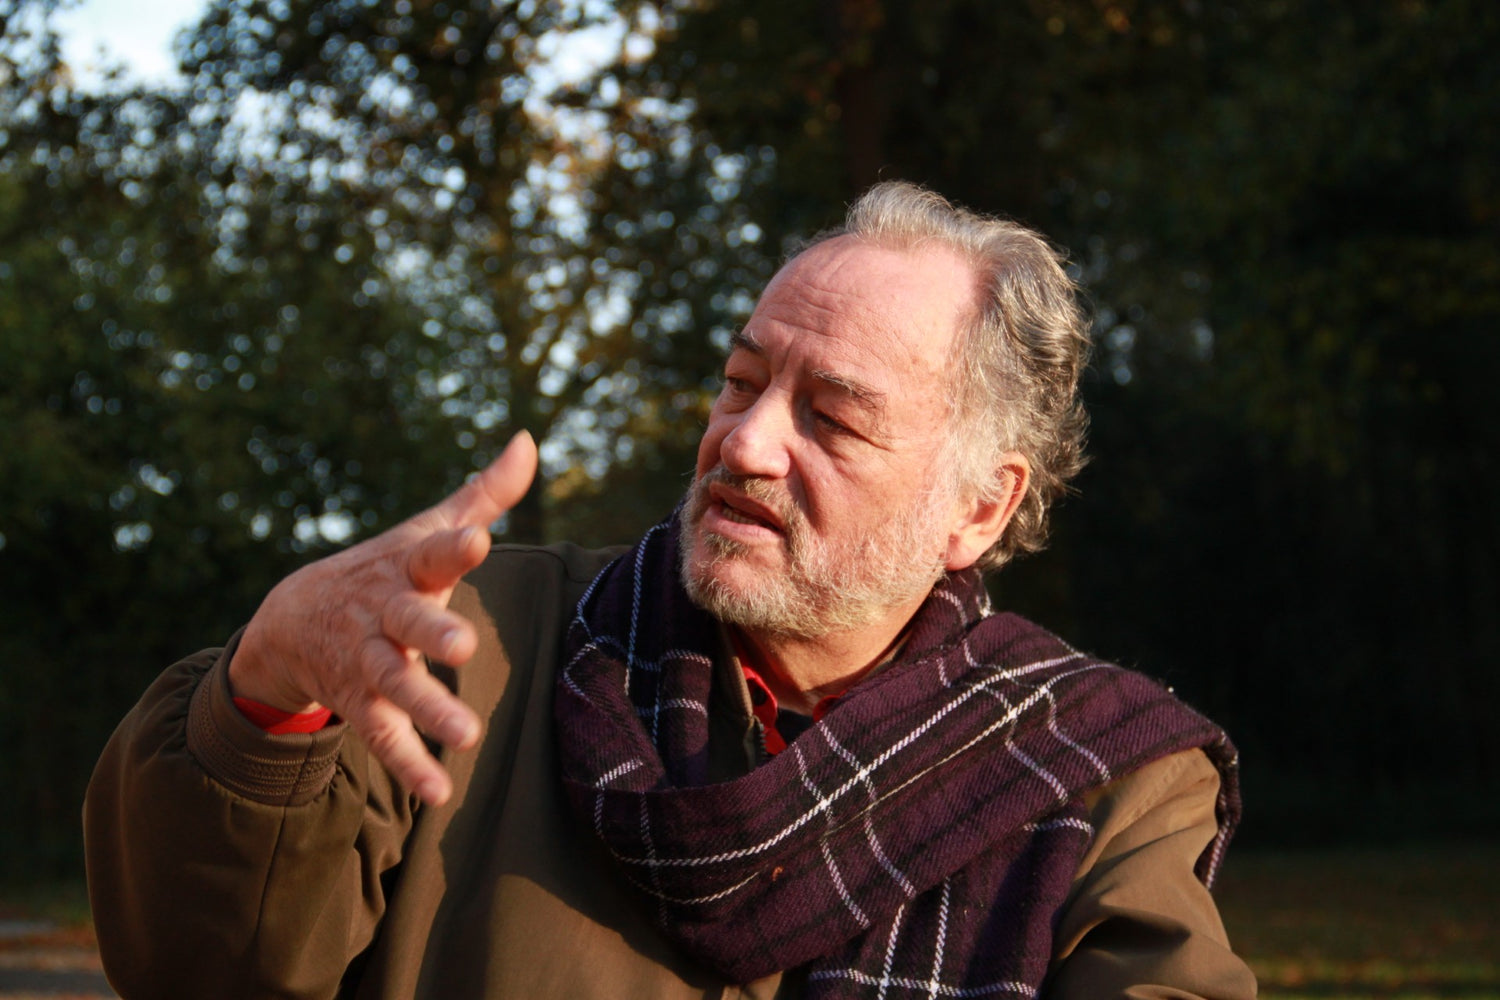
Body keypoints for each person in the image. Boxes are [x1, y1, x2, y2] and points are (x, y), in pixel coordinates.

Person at [85, 182, 1256, 999]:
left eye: (831, 416)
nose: (744, 441)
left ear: (980, 508)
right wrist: (266, 695)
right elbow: (197, 971)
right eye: (741, 381)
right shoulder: (467, 642)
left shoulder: (1105, 775)